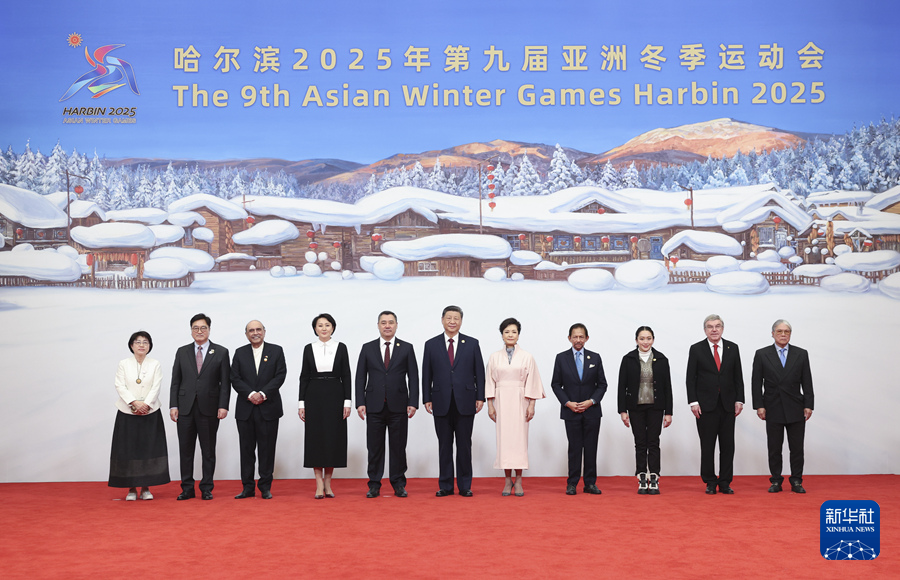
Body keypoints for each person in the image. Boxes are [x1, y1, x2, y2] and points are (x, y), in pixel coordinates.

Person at [422, 305, 485, 497]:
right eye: (448, 318)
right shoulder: (431, 344)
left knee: (464, 445)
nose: (452, 321)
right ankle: (446, 485)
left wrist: (480, 397)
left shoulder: (472, 343)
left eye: (456, 318)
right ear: (442, 320)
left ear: (461, 321)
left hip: (466, 401)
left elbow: (479, 372)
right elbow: (426, 374)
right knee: (444, 445)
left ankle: (465, 485)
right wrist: (426, 398)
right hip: (440, 401)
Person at [356, 310, 419, 498]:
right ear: (378, 325)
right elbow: (360, 377)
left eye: (391, 322)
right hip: (374, 405)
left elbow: (413, 377)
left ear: (396, 325)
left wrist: (413, 402)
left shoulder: (406, 348)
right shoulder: (367, 348)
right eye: (383, 322)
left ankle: (398, 484)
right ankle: (374, 484)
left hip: (399, 406)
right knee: (374, 448)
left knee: (398, 447)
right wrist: (360, 402)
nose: (387, 326)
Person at [170, 313, 231, 500]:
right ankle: (187, 488)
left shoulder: (221, 352)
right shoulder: (182, 352)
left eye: (203, 327)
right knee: (186, 450)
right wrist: (173, 405)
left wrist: (223, 406)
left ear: (209, 330)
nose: (199, 331)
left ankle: (206, 488)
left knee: (208, 450)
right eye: (195, 328)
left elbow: (225, 383)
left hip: (209, 408)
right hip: (185, 408)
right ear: (191, 331)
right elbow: (175, 381)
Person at [751, 320, 814, 494]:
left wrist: (809, 405)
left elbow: (807, 381)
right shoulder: (762, 354)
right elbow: (756, 382)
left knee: (797, 448)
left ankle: (797, 481)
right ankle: (776, 481)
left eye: (787, 331)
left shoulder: (801, 354)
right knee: (774, 448)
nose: (783, 334)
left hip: (796, 406)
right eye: (779, 331)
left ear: (790, 334)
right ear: (772, 334)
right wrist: (759, 406)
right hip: (773, 406)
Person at [686, 314, 744, 495]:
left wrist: (739, 400)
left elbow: (738, 377)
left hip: (728, 405)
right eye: (710, 327)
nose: (714, 330)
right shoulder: (696, 349)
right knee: (707, 445)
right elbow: (691, 378)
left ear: (722, 328)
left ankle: (725, 482)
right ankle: (710, 481)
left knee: (728, 446)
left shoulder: (733, 348)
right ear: (705, 330)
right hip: (705, 406)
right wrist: (693, 402)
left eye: (717, 326)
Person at [485, 317, 544, 497]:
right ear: (501, 334)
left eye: (514, 332)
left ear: (519, 334)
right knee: (504, 440)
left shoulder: (527, 356)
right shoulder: (494, 357)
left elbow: (533, 382)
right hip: (501, 401)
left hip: (520, 400)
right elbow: (489, 382)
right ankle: (507, 480)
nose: (510, 335)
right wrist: (490, 405)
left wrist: (531, 405)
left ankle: (518, 480)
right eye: (507, 332)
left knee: (519, 441)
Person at [109, 331, 170, 500]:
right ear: (131, 345)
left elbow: (156, 386)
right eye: (138, 342)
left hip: (150, 412)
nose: (141, 345)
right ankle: (131, 489)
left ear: (150, 346)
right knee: (129, 450)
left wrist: (146, 404)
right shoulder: (123, 364)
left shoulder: (155, 364)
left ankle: (145, 488)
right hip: (127, 411)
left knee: (148, 449)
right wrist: (134, 403)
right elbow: (120, 385)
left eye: (145, 342)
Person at [231, 320, 287, 500]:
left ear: (264, 331)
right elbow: (235, 378)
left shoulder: (276, 351)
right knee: (246, 450)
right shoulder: (240, 353)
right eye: (251, 330)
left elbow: (280, 375)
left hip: (268, 408)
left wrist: (262, 394)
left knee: (267, 450)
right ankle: (247, 487)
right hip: (245, 409)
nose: (255, 333)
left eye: (258, 329)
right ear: (246, 334)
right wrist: (250, 394)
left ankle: (265, 487)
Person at [299, 313, 352, 499]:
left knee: (332, 438)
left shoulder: (341, 347)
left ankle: (328, 484)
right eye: (320, 325)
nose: (323, 328)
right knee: (315, 439)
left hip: (335, 395)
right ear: (315, 329)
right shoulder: (309, 348)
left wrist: (347, 402)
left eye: (327, 325)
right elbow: (304, 376)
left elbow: (346, 375)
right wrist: (301, 403)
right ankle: (318, 483)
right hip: (313, 395)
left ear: (333, 327)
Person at [550, 323, 607, 495]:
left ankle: (590, 483)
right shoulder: (561, 358)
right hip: (571, 411)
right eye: (575, 336)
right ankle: (572, 483)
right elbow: (556, 384)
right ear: (569, 338)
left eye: (581, 336)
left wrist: (591, 401)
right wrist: (568, 403)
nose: (578, 340)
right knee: (574, 449)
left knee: (591, 448)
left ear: (587, 338)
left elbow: (602, 384)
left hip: (592, 411)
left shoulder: (595, 357)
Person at [617, 326, 673, 495]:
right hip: (636, 407)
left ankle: (654, 477)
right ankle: (642, 476)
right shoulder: (628, 359)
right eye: (642, 338)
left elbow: (667, 387)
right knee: (640, 442)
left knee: (653, 442)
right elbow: (622, 386)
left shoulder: (661, 359)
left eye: (648, 338)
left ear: (653, 340)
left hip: (656, 407)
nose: (645, 342)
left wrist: (668, 412)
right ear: (636, 340)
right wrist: (623, 411)